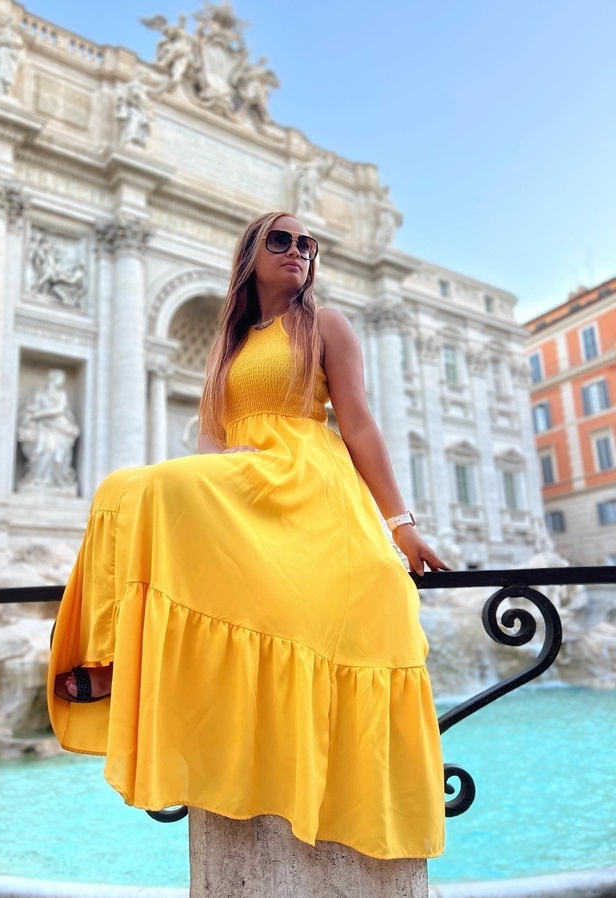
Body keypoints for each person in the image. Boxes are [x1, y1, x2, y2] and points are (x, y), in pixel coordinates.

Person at [48, 211, 448, 861]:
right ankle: (125, 658)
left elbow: (361, 427)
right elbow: (213, 440)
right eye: (282, 240)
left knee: (148, 486)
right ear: (251, 255)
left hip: (309, 481)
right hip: (248, 480)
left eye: (307, 244)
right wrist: (214, 489)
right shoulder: (228, 346)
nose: (298, 251)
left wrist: (401, 526)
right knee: (126, 488)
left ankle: (131, 663)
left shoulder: (327, 325)